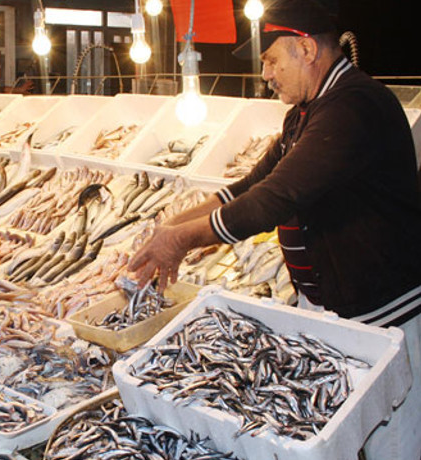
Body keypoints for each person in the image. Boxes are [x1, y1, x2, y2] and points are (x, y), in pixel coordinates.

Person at [127, 1, 420, 458]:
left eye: (271, 61)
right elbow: (249, 185)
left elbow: (276, 199)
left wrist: (182, 241)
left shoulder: (355, 107)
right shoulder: (304, 113)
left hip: (386, 315)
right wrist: (167, 228)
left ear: (305, 49)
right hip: (336, 313)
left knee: (394, 444)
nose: (265, 74)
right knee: (348, 438)